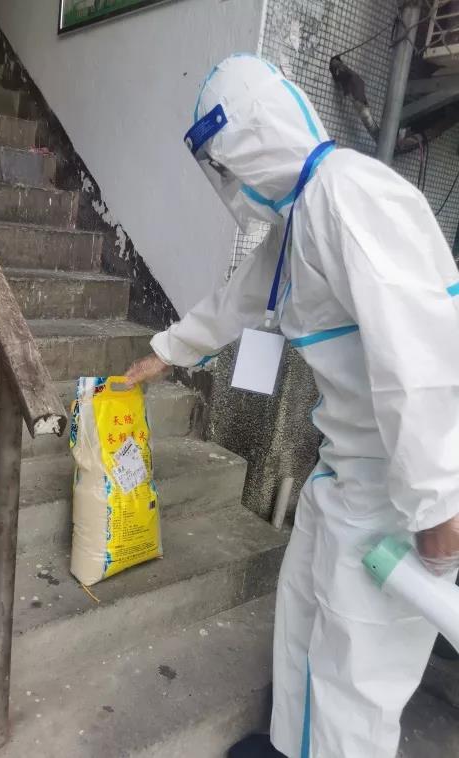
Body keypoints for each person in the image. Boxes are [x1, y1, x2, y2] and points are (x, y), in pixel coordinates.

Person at [125, 54, 459, 758]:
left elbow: (421, 355)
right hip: (347, 472)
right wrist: (166, 352)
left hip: (401, 491)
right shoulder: (304, 213)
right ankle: (288, 746)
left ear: (251, 141)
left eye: (224, 162)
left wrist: (439, 504)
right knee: (304, 616)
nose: (227, 180)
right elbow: (240, 296)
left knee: (356, 672)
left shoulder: (349, 195)